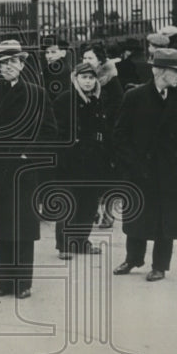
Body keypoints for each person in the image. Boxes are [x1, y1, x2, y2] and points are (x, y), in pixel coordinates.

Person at [0, 40, 57, 299]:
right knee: (1, 228)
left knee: (22, 229)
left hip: (22, 171)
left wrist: (28, 154)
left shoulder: (36, 93)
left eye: (12, 62)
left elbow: (50, 132)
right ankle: (5, 282)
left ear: (22, 64)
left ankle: (23, 283)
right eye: (3, 63)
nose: (7, 67)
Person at [112, 49, 177, 281]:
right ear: (159, 71)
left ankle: (160, 265)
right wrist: (132, 165)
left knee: (166, 221)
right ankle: (133, 258)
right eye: (175, 71)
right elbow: (120, 135)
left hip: (169, 172)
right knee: (137, 217)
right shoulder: (135, 96)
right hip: (140, 171)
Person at [52, 62, 113, 259]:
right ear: (75, 78)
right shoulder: (65, 99)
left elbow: (104, 127)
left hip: (93, 161)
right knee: (69, 202)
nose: (88, 82)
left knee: (89, 203)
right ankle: (64, 245)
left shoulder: (97, 100)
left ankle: (81, 242)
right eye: (84, 77)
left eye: (91, 77)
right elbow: (57, 130)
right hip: (70, 161)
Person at [80, 42, 124, 120]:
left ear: (99, 60)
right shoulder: (79, 77)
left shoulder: (110, 77)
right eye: (84, 58)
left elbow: (117, 102)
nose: (86, 61)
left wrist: (103, 116)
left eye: (90, 58)